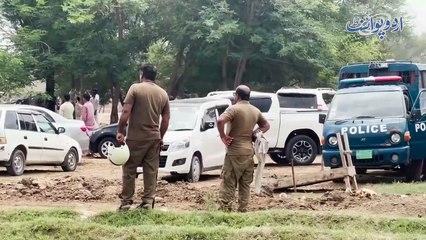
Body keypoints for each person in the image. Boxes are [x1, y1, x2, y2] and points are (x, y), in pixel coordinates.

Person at [116, 64, 170, 211]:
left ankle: (126, 203)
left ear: (142, 74)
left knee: (129, 170)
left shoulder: (135, 88)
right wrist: (160, 136)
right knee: (151, 171)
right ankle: (147, 203)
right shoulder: (163, 93)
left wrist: (121, 131)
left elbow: (126, 111)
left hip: (135, 137)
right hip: (154, 138)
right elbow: (165, 120)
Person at [216, 85, 270, 212]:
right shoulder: (255, 110)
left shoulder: (234, 109)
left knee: (228, 183)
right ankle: (242, 211)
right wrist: (255, 133)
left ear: (237, 96)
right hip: (248, 153)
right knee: (245, 185)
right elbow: (266, 125)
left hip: (234, 152)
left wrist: (223, 136)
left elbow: (220, 121)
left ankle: (225, 212)